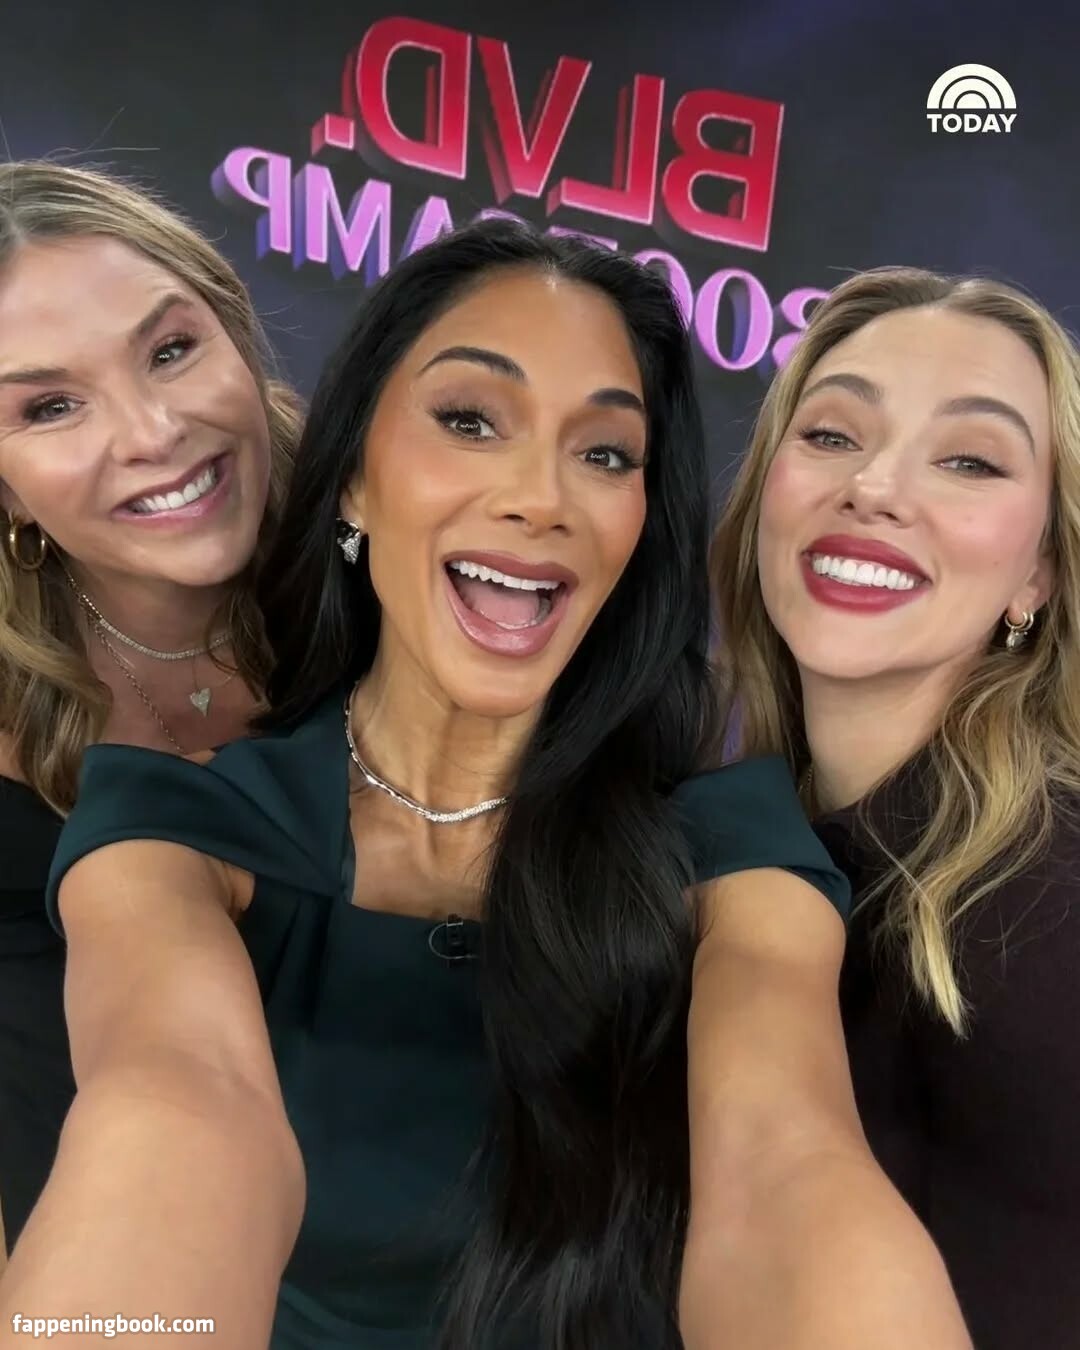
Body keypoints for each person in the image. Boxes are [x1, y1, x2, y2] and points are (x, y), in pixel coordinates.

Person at [5, 224, 968, 1349]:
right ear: (354, 479)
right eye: (469, 420)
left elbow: (788, 1172)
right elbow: (174, 1110)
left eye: (605, 453)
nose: (539, 497)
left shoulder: (730, 851)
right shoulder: (170, 827)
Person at [711, 264, 1080, 1349]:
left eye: (969, 459)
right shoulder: (732, 842)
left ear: (1039, 576)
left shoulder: (1056, 888)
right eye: (832, 435)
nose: (873, 486)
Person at [0, 160, 300, 1257]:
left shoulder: (411, 561)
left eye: (171, 350)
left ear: (236, 335)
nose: (151, 431)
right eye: (50, 407)